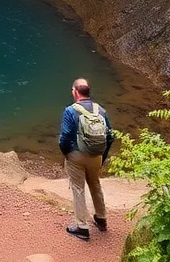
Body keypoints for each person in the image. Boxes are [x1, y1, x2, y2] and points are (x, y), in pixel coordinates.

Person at [58, 77, 114, 241]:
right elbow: (110, 135)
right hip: (96, 154)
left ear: (74, 92)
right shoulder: (101, 110)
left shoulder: (71, 110)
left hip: (76, 155)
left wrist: (66, 153)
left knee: (78, 188)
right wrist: (102, 155)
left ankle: (82, 226)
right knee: (95, 183)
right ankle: (101, 218)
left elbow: (65, 136)